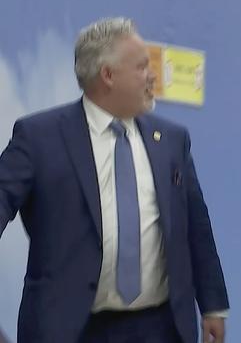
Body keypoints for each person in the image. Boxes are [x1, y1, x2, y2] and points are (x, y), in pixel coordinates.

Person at [0, 17, 228, 343]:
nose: (152, 76)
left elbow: (195, 226)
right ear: (108, 75)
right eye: (141, 67)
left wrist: (213, 305)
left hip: (161, 328)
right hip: (70, 330)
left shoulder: (174, 141)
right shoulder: (38, 138)